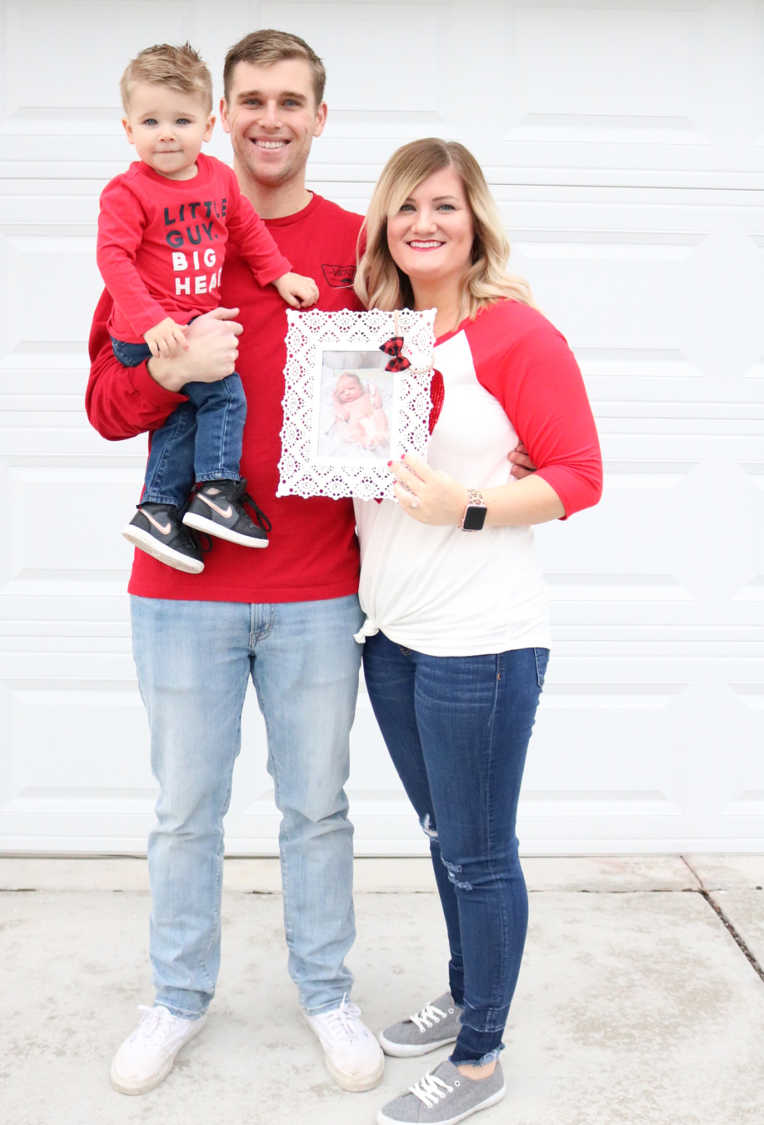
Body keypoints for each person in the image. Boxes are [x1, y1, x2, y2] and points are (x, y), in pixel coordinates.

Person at [86, 29, 386, 1097]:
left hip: (314, 586)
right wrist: (176, 370)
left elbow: (410, 385)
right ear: (221, 112)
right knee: (185, 811)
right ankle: (175, 998)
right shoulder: (163, 224)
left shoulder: (357, 242)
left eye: (289, 100)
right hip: (178, 592)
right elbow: (104, 405)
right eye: (250, 97)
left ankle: (327, 993)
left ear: (317, 116)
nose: (269, 116)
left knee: (317, 807)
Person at [352, 138, 603, 1124]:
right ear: (385, 223)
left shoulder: (515, 335)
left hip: (481, 641)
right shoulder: (380, 335)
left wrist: (468, 505)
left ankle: (481, 1059)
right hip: (390, 636)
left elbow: (580, 475)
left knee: (480, 852)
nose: (424, 224)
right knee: (442, 836)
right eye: (406, 207)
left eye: (445, 207)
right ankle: (467, 994)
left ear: (476, 221)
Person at [97, 42, 319, 572]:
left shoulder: (217, 179)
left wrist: (279, 273)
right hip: (150, 332)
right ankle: (218, 491)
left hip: (191, 323)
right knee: (225, 397)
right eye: (150, 121)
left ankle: (158, 509)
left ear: (206, 124)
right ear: (128, 129)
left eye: (180, 119)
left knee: (185, 413)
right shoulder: (128, 194)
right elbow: (114, 262)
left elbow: (245, 228)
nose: (166, 133)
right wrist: (156, 332)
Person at [332, 371, 390, 452]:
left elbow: (378, 404)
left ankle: (382, 433)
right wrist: (336, 402)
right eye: (342, 392)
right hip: (358, 424)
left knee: (378, 411)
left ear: (361, 387)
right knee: (353, 427)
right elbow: (343, 416)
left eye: (351, 388)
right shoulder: (345, 406)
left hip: (373, 418)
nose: (347, 393)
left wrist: (375, 392)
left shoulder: (366, 395)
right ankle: (365, 441)